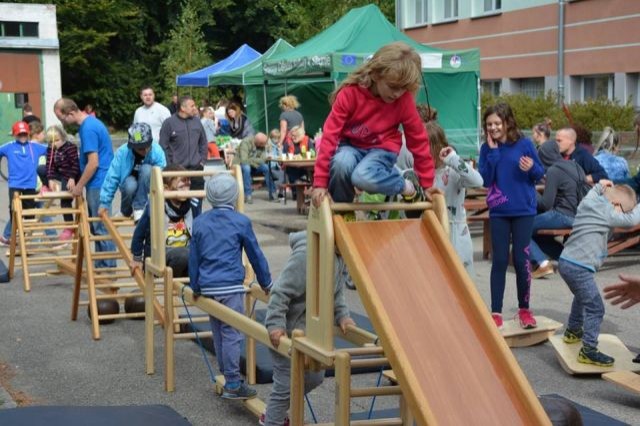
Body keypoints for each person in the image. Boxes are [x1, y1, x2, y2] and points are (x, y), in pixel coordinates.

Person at [310, 42, 436, 209]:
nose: (397, 93)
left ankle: (406, 186)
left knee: (361, 176)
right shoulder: (350, 94)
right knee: (341, 163)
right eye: (393, 87)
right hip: (352, 146)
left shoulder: (403, 101)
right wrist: (320, 182)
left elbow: (418, 140)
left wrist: (427, 183)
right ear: (376, 75)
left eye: (403, 89)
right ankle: (342, 212)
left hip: (383, 149)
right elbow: (330, 136)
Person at [189, 174, 272, 400]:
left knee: (218, 330)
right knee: (232, 333)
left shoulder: (199, 222)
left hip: (207, 287)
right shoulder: (241, 221)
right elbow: (255, 254)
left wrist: (195, 285)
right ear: (235, 197)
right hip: (230, 287)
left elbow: (194, 258)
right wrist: (266, 282)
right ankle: (234, 383)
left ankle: (227, 374)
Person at [262, 231, 355, 426]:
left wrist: (343, 315)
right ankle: (272, 421)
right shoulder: (306, 257)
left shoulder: (338, 257)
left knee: (315, 376)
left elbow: (336, 292)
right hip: (288, 331)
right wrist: (275, 325)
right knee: (286, 384)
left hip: (312, 334)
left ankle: (276, 409)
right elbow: (280, 292)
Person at [558, 182, 640, 367]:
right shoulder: (607, 211)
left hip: (567, 262)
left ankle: (573, 331)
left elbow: (595, 190)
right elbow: (631, 221)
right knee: (595, 308)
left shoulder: (589, 202)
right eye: (624, 210)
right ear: (616, 204)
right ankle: (588, 349)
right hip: (579, 267)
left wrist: (599, 186)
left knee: (581, 297)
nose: (622, 215)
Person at [478, 102, 545, 330]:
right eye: (489, 124)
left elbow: (539, 173)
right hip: (498, 211)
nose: (493, 128)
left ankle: (524, 310)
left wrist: (531, 169)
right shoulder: (487, 148)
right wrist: (494, 153)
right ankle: (495, 312)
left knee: (520, 259)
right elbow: (486, 180)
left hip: (524, 210)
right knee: (498, 260)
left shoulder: (524, 144)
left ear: (507, 122)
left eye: (497, 123)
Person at [53, 97, 116, 268]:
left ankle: (108, 269)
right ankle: (102, 266)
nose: (63, 123)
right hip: (98, 182)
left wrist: (79, 185)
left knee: (101, 226)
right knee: (97, 227)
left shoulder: (88, 129)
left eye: (62, 118)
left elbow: (93, 162)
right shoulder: (90, 125)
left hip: (98, 183)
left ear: (71, 113)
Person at [428, 121, 483, 275]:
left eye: (427, 146)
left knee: (461, 281)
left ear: (437, 146)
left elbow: (478, 181)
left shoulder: (452, 170)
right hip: (431, 233)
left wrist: (453, 159)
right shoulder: (421, 172)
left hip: (456, 234)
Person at [529, 138, 585, 279]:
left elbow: (546, 204)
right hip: (579, 215)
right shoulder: (576, 166)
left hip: (562, 215)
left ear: (545, 157)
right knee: (540, 237)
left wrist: (531, 193)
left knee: (520, 229)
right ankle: (569, 260)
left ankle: (542, 264)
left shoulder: (554, 171)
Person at [130, 165, 196, 278]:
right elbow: (139, 233)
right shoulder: (155, 206)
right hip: (162, 255)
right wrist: (137, 258)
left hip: (186, 251)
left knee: (194, 255)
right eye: (181, 187)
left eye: (188, 186)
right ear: (166, 189)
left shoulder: (192, 205)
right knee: (184, 255)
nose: (186, 191)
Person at [98, 122, 166, 222]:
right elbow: (112, 177)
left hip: (149, 186)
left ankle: (139, 207)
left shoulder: (156, 150)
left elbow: (162, 171)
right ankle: (125, 210)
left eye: (147, 146)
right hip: (129, 183)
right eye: (140, 148)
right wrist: (104, 202)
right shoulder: (122, 152)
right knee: (130, 184)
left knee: (147, 169)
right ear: (132, 146)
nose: (145, 150)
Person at [0, 121, 48, 246]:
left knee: (29, 213)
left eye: (24, 134)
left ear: (28, 134)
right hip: (15, 185)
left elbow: (52, 150)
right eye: (19, 134)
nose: (22, 136)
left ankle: (26, 239)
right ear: (15, 134)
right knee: (14, 211)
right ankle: (14, 237)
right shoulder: (8, 146)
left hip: (30, 185)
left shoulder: (34, 147)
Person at [159, 95, 208, 216]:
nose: (195, 108)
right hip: (177, 172)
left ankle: (197, 227)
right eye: (192, 106)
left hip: (196, 169)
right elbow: (163, 146)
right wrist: (170, 166)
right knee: (177, 203)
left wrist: (202, 161)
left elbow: (203, 142)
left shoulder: (197, 121)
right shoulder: (169, 123)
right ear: (183, 107)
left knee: (197, 202)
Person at [38, 125, 81, 242]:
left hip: (70, 174)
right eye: (51, 142)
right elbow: (49, 165)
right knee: (41, 169)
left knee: (65, 201)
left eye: (57, 141)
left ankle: (69, 227)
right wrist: (50, 179)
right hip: (59, 173)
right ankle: (47, 186)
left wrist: (72, 178)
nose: (54, 144)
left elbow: (75, 165)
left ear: (63, 137)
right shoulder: (50, 149)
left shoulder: (70, 147)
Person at [232, 132, 275, 203]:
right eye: (263, 144)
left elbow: (263, 159)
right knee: (246, 168)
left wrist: (253, 160)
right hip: (240, 166)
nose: (264, 146)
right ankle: (248, 195)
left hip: (254, 166)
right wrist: (257, 161)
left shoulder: (262, 145)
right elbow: (244, 160)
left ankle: (273, 193)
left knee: (266, 167)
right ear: (258, 143)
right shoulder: (245, 142)